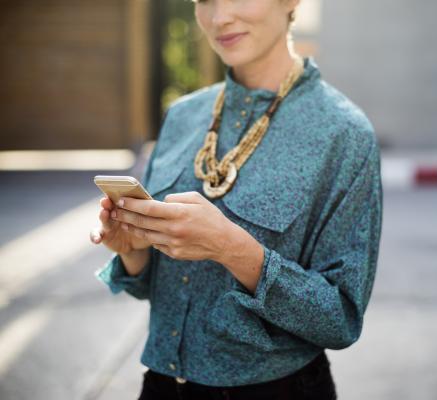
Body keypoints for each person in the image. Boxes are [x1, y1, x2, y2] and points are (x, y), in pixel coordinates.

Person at [90, 0, 383, 398]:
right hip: (159, 385)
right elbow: (153, 289)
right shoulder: (182, 116)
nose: (219, 17)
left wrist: (233, 249)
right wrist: (133, 252)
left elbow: (340, 319)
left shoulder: (344, 134)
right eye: (204, 1)